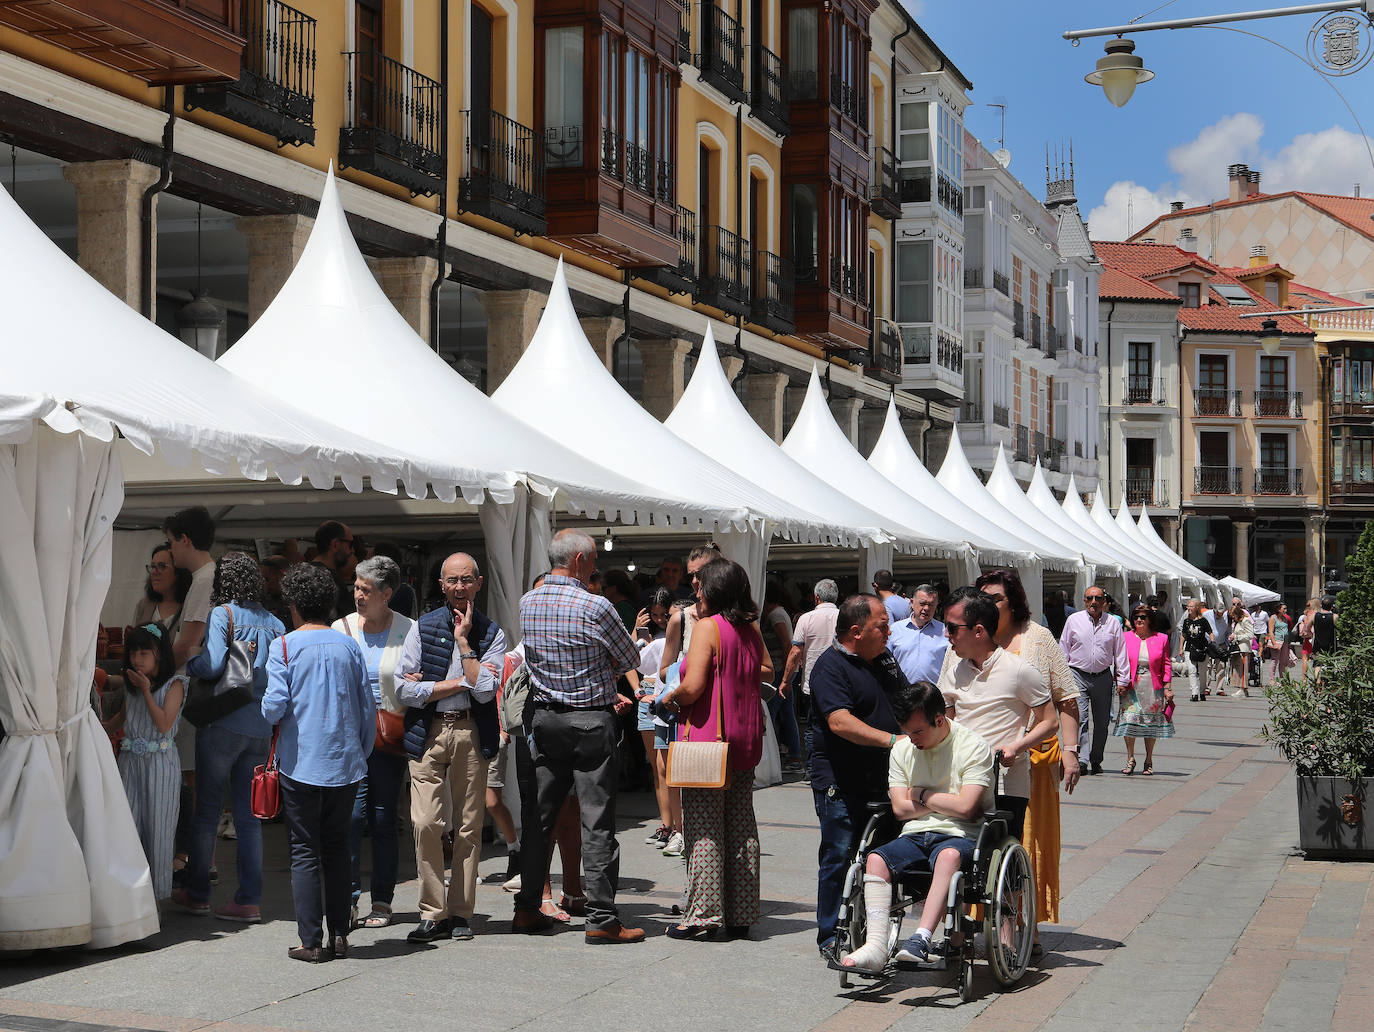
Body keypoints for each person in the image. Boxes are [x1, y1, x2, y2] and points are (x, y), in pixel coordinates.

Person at [513, 529, 643, 944]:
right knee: (596, 818)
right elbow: (630, 658)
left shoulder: (527, 602)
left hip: (547, 719)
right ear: (582, 560)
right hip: (589, 718)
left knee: (540, 817)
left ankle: (527, 907)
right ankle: (602, 918)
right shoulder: (596, 605)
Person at [262, 563, 375, 962]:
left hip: (300, 762)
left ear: (292, 605)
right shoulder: (348, 645)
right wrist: (361, 753)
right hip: (345, 763)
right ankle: (340, 935)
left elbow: (274, 706)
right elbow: (367, 709)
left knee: (305, 850)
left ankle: (309, 941)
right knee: (338, 849)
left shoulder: (285, 646)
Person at [840, 680, 994, 972]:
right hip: (914, 832)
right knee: (874, 859)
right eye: (906, 731)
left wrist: (922, 794)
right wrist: (947, 801)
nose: (910, 739)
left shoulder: (973, 746)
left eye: (918, 731)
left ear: (940, 719)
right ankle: (875, 945)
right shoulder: (902, 749)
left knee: (948, 856)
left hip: (961, 834)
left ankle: (921, 938)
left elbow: (967, 808)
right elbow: (899, 809)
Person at [394, 552, 504, 944]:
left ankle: (460, 912)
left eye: (466, 579)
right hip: (427, 732)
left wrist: (463, 642)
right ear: (441, 585)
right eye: (452, 580)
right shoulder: (421, 628)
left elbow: (488, 689)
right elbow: (404, 688)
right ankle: (431, 910)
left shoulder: (491, 632)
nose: (459, 587)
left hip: (471, 732)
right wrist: (456, 685)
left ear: (478, 583)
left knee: (469, 827)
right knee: (425, 823)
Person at [658, 558, 771, 939]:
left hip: (709, 741)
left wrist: (669, 698)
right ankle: (740, 914)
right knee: (741, 826)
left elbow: (693, 688)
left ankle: (704, 915)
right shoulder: (749, 629)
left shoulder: (708, 627)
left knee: (704, 829)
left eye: (701, 585)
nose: (696, 590)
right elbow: (761, 672)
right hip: (745, 737)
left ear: (715, 590)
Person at [173, 551, 285, 923]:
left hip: (223, 724)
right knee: (249, 818)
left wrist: (191, 659)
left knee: (207, 814)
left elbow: (214, 663)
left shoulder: (225, 614)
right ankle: (248, 900)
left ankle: (199, 894)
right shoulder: (276, 623)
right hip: (261, 728)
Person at [977, 569, 1078, 952]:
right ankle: (982, 919)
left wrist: (1070, 753)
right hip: (981, 762)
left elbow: (1066, 699)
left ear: (1014, 600)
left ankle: (1024, 923)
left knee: (1027, 843)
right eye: (983, 598)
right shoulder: (972, 636)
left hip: (1033, 761)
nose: (989, 606)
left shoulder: (1038, 637)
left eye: (997, 599)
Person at [806, 594, 903, 959]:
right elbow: (839, 721)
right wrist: (893, 740)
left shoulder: (884, 660)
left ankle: (878, 932)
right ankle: (829, 936)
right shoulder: (829, 667)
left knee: (883, 858)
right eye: (882, 625)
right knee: (839, 856)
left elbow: (905, 699)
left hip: (883, 778)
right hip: (839, 779)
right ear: (855, 631)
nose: (889, 632)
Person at [939, 587, 1057, 842]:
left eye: (952, 627)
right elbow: (946, 725)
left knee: (1000, 852)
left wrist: (1017, 746)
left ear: (978, 631)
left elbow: (1050, 721)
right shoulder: (953, 673)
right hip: (960, 783)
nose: (946, 635)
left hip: (1005, 784)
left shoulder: (1019, 671)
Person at [334, 556, 413, 930]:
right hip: (348, 740)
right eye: (355, 587)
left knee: (383, 820)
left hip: (387, 740)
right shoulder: (340, 627)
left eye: (366, 590)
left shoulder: (410, 630)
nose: (358, 595)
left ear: (387, 594)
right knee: (349, 820)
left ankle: (382, 899)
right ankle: (347, 900)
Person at [118, 624, 185, 901]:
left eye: (144, 652)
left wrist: (146, 691)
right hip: (129, 761)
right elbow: (120, 719)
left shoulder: (175, 684)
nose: (137, 659)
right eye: (133, 652)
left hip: (161, 763)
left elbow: (163, 724)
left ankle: (156, 899)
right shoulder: (131, 684)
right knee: (126, 826)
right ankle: (128, 895)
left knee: (159, 830)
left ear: (159, 654)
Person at [1059, 587, 1129, 776]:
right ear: (1084, 600)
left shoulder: (1113, 623)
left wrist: (1123, 679)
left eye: (1098, 598)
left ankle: (1096, 759)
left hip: (1103, 677)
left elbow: (1120, 651)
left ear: (1104, 601)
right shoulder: (1074, 620)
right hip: (1077, 675)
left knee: (1102, 723)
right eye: (1090, 598)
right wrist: (1060, 678)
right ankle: (1082, 760)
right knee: (1080, 719)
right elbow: (1063, 648)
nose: (1094, 602)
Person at [636, 588, 677, 848]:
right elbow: (630, 661)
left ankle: (675, 826)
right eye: (655, 614)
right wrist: (637, 632)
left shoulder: (677, 634)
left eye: (665, 614)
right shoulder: (647, 636)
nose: (660, 619)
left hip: (667, 695)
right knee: (657, 767)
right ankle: (667, 825)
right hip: (647, 692)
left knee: (669, 768)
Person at [1115, 606, 1174, 774]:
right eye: (1135, 617)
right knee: (1129, 720)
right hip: (1130, 685)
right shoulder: (1125, 637)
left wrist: (1167, 686)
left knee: (1150, 723)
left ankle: (1149, 759)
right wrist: (1119, 681)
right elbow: (1119, 660)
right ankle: (1130, 758)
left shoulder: (1161, 638)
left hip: (1152, 685)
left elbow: (1166, 663)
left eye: (1142, 617)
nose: (1138, 620)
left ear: (1149, 619)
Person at [780, 578, 841, 726]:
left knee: (813, 728)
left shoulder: (805, 619)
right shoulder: (845, 616)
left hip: (813, 682)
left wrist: (786, 681)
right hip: (841, 681)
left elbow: (795, 652)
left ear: (816, 597)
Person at [761, 580, 803, 772]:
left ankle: (776, 757)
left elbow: (787, 644)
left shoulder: (775, 614)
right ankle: (794, 755)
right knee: (786, 713)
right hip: (785, 670)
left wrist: (785, 673)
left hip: (780, 670)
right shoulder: (779, 612)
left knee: (771, 711)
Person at [887, 583, 947, 687]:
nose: (926, 608)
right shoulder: (895, 630)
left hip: (934, 695)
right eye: (922, 604)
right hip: (903, 694)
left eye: (931, 604)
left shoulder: (944, 631)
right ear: (911, 603)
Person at [132, 542, 191, 635]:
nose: (154, 572)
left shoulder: (189, 608)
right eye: (153, 566)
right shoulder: (144, 605)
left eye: (162, 566)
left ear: (179, 572)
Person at [313, 520, 356, 619]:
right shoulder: (331, 579)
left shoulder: (302, 573)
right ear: (335, 544)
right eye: (350, 544)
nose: (352, 551)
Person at [1179, 599, 1213, 702]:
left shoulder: (1203, 621)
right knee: (1192, 670)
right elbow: (1183, 635)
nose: (1188, 608)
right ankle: (1194, 693)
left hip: (1202, 649)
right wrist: (1181, 648)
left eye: (1191, 606)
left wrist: (1212, 643)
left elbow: (1210, 632)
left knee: (1202, 672)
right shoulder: (1186, 621)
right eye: (1188, 606)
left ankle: (1202, 692)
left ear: (1197, 608)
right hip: (1189, 648)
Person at [1227, 601, 1255, 698]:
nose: (1232, 618)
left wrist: (1237, 637)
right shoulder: (1237, 623)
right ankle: (1244, 689)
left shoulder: (1245, 621)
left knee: (1243, 669)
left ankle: (1242, 689)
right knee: (1239, 669)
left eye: (1233, 616)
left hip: (1243, 649)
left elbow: (1251, 635)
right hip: (1238, 648)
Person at [1267, 603, 1294, 682]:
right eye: (1284, 609)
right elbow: (1271, 632)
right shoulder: (1273, 618)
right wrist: (1274, 643)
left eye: (1286, 609)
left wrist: (1288, 642)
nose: (1286, 610)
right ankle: (1272, 679)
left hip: (1285, 641)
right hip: (1277, 641)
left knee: (1283, 661)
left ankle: (1282, 679)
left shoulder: (1285, 618)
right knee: (1274, 660)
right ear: (1279, 609)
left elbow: (1287, 630)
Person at [1312, 595, 1337, 660]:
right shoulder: (1335, 617)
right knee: (1330, 664)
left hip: (1317, 644)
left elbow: (1306, 629)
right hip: (1330, 645)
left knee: (1317, 664)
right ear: (1331, 607)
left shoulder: (1314, 616)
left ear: (1321, 605)